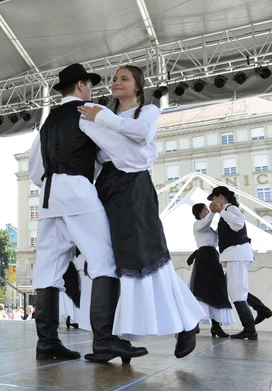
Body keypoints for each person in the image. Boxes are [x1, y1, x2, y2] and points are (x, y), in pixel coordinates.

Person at [77, 65, 204, 359]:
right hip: (107, 187)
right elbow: (101, 159)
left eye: (124, 78)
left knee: (144, 255)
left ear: (138, 86)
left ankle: (187, 321)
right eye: (114, 79)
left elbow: (142, 135)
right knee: (115, 259)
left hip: (134, 189)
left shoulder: (146, 112)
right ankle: (120, 340)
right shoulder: (101, 117)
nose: (116, 82)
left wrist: (103, 119)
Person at [29, 63, 148, 363]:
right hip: (77, 191)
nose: (93, 91)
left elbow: (35, 171)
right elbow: (118, 151)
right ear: (81, 86)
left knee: (48, 270)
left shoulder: (47, 123)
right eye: (90, 85)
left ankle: (47, 343)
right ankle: (105, 341)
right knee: (105, 261)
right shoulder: (86, 111)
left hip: (48, 195)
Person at [208, 186, 272, 339]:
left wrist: (221, 211)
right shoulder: (226, 212)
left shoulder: (231, 209)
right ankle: (261, 309)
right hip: (234, 255)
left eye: (214, 198)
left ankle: (250, 328)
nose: (213, 202)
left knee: (237, 293)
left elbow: (238, 224)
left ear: (221, 197)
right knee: (235, 290)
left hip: (236, 255)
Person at [188, 203, 235, 337]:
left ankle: (216, 326)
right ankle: (193, 324)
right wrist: (214, 212)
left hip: (213, 257)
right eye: (205, 209)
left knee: (216, 290)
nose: (208, 211)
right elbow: (206, 222)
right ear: (199, 212)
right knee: (202, 290)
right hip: (204, 258)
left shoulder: (210, 228)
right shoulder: (198, 224)